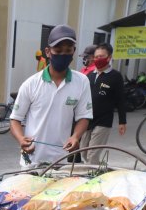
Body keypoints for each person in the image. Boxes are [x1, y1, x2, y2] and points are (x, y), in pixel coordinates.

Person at [9, 25, 93, 167]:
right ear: (48, 52)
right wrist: (21, 139)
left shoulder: (82, 82)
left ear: (74, 52)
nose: (63, 55)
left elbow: (84, 116)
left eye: (68, 51)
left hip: (61, 160)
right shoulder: (31, 84)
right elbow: (15, 119)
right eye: (58, 50)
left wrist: (75, 136)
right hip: (32, 159)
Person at [80, 43, 126, 164]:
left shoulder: (115, 76)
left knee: (92, 154)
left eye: (101, 56)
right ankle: (101, 169)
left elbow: (121, 99)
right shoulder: (89, 76)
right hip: (88, 119)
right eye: (96, 56)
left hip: (104, 121)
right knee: (83, 152)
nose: (98, 59)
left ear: (109, 57)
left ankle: (93, 179)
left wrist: (122, 121)